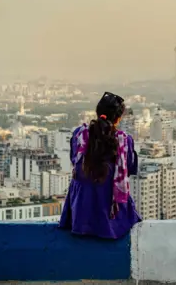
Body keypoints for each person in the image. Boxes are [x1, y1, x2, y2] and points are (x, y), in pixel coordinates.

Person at [59, 92, 141, 239]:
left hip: (80, 212)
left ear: (97, 113)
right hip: (112, 216)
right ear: (118, 119)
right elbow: (129, 169)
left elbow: (74, 160)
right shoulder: (124, 141)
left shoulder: (79, 135)